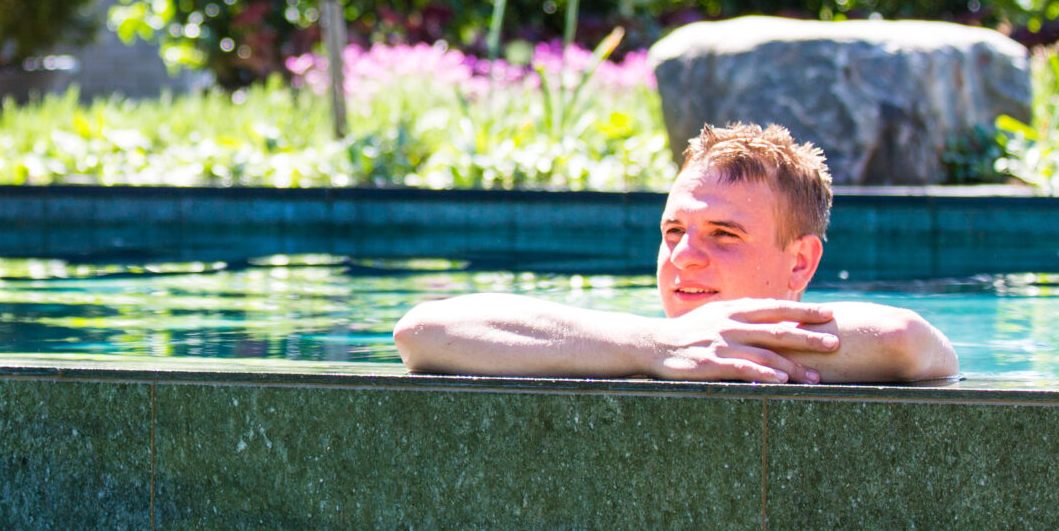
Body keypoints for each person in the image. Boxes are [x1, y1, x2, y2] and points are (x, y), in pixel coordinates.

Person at [393, 121, 957, 384]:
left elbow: (903, 342)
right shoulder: (644, 343)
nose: (683, 256)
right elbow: (421, 331)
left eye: (724, 233)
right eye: (672, 231)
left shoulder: (831, 339)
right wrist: (652, 344)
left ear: (801, 263)